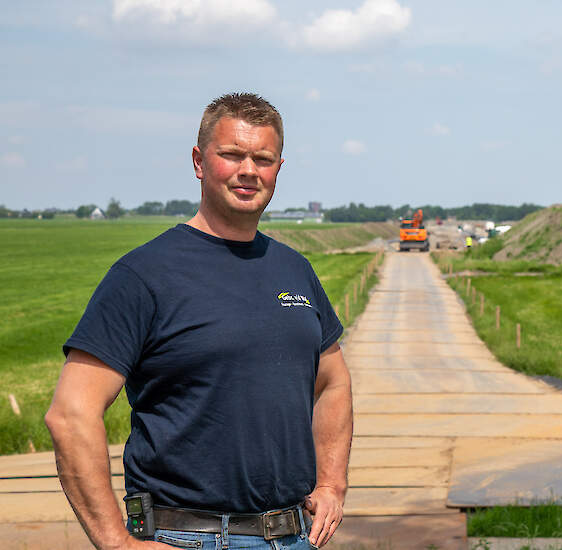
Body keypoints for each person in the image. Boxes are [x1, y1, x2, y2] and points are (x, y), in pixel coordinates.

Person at [45, 93, 352, 550]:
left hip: (291, 536)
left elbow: (333, 383)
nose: (248, 170)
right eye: (231, 154)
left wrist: (331, 484)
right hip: (185, 536)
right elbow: (71, 414)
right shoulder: (143, 276)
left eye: (263, 159)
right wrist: (116, 543)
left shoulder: (295, 270)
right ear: (199, 161)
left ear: (278, 169)